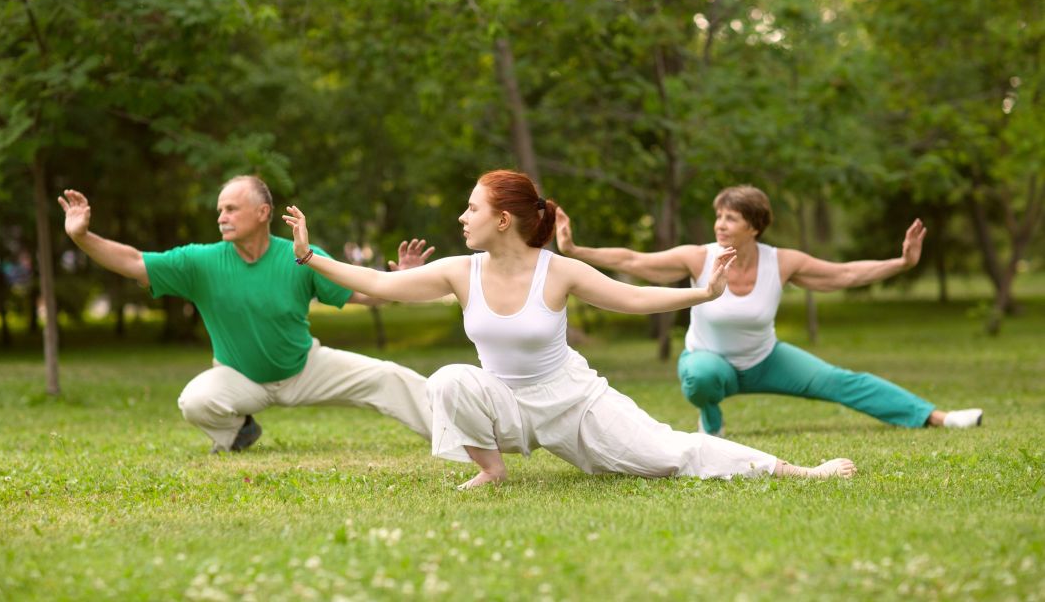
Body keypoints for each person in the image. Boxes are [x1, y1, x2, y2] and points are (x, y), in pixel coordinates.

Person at [283, 170, 856, 489]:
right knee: (449, 380)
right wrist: (310, 257)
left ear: (502, 219)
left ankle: (798, 470)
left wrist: (702, 293)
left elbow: (632, 297)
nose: (462, 217)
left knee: (669, 455)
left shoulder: (558, 271)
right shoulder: (460, 272)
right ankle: (492, 470)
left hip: (573, 403)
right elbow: (378, 286)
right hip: (505, 402)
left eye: (471, 208)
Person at [555, 184, 983, 437]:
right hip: (711, 362)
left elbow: (845, 275)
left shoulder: (783, 262)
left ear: (754, 226)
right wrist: (575, 250)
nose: (721, 224)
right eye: (719, 216)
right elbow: (633, 260)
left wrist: (903, 263)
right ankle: (711, 418)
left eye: (732, 218)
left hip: (766, 359)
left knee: (843, 381)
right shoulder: (697, 257)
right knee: (702, 377)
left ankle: (937, 417)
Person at [58, 176, 434, 453]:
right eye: (220, 209)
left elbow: (365, 294)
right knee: (195, 401)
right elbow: (135, 262)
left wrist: (402, 280)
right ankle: (239, 432)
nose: (221, 216)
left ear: (263, 212)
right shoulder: (200, 262)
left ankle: (456, 435)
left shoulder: (300, 255)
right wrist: (82, 238)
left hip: (305, 368)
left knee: (388, 376)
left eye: (231, 208)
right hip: (239, 378)